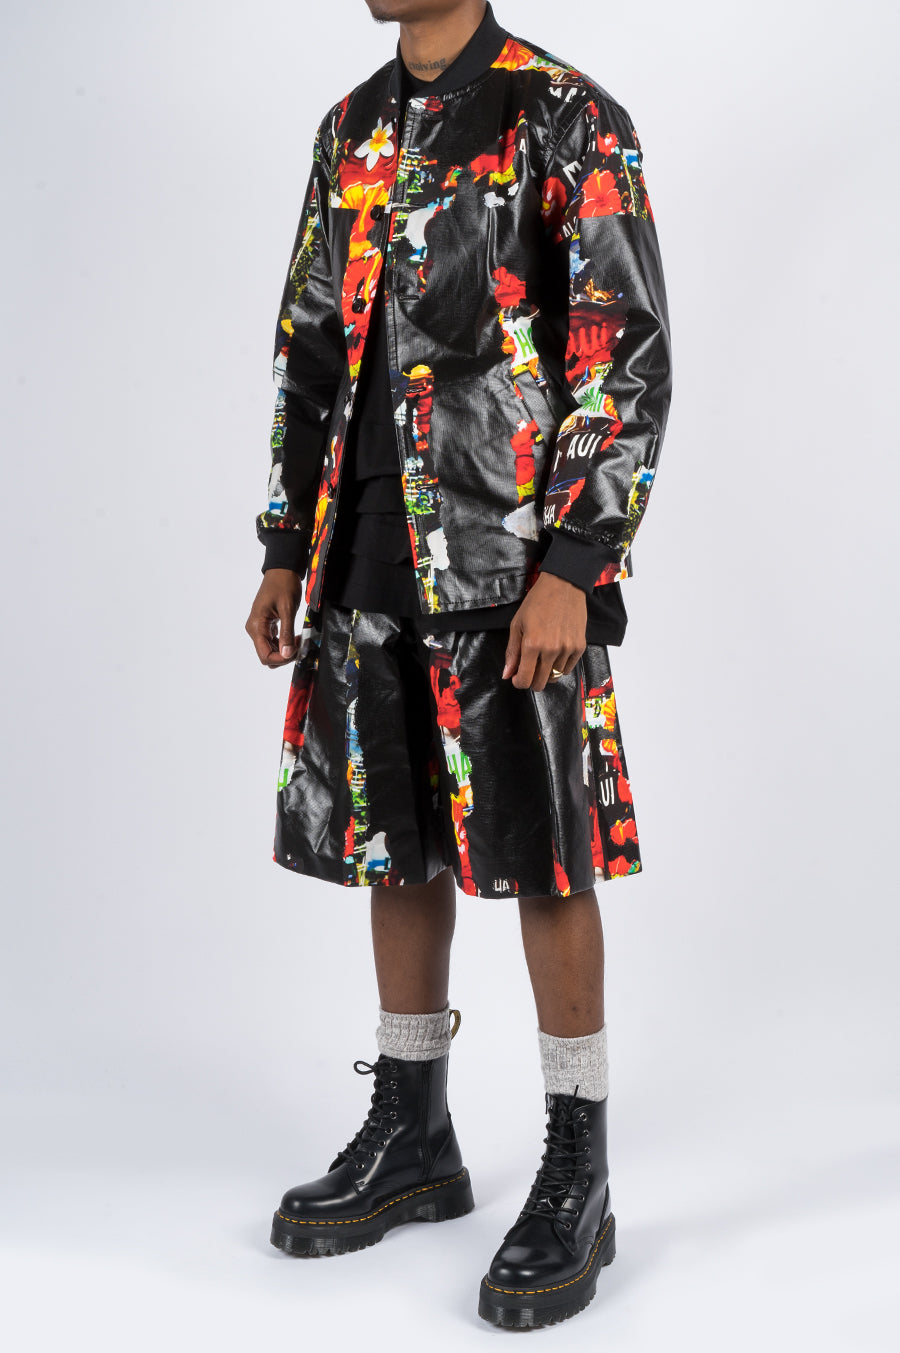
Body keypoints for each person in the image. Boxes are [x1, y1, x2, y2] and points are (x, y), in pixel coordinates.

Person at [244, 0, 672, 1329]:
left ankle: (579, 1164)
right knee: (394, 843)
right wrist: (283, 544)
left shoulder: (566, 115)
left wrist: (577, 560)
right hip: (362, 543)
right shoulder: (351, 130)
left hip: (511, 558)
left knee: (548, 852)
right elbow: (311, 339)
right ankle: (414, 1131)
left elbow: (623, 350)